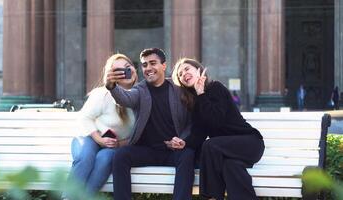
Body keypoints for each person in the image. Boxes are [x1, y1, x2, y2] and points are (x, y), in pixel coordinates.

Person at [105, 48, 194, 200]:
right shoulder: (140, 90)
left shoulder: (179, 91)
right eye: (145, 65)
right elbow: (125, 99)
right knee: (121, 156)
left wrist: (182, 140)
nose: (148, 68)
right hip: (146, 151)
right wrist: (111, 86)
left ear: (164, 66)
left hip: (173, 151)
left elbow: (190, 123)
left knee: (188, 155)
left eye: (153, 63)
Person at [172, 58, 265, 200]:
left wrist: (201, 93)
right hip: (226, 151)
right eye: (179, 74)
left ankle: (210, 197)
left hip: (250, 143)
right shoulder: (196, 103)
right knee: (231, 168)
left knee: (209, 145)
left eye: (186, 69)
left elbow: (216, 121)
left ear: (198, 70)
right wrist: (185, 143)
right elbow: (198, 133)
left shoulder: (216, 88)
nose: (183, 74)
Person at [63, 54, 137, 199]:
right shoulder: (102, 94)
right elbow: (84, 118)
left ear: (134, 68)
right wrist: (99, 139)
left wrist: (120, 144)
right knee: (86, 157)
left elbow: (141, 132)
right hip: (89, 137)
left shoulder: (142, 96)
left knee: (105, 159)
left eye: (128, 68)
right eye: (118, 71)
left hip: (115, 146)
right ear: (111, 76)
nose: (125, 72)